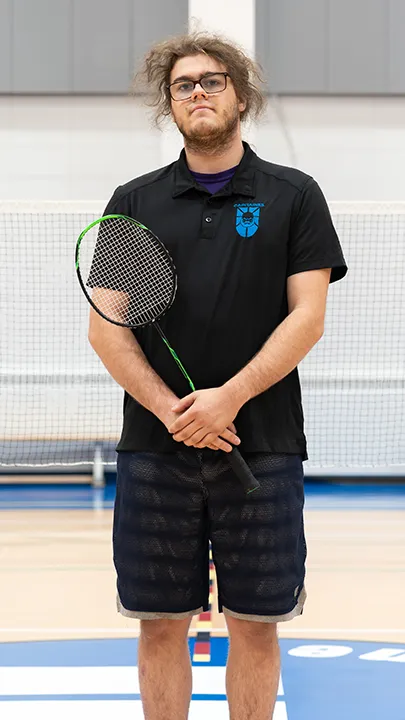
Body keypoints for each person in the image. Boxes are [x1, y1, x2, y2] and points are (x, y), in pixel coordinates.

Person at [88, 31, 347, 720]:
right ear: (168, 103)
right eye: (182, 85)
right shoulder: (136, 203)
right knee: (159, 622)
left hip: (261, 445)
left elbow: (307, 317)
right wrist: (175, 411)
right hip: (155, 451)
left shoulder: (293, 196)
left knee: (255, 624)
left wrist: (227, 399)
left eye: (211, 81)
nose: (196, 94)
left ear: (240, 93)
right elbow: (106, 327)